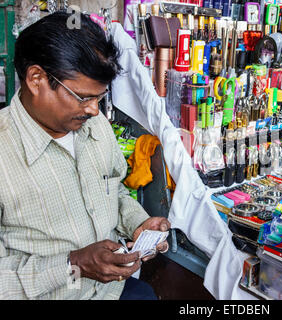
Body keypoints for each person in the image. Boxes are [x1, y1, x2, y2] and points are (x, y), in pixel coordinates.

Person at [0, 11, 170, 299]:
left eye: (100, 97)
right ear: (37, 79)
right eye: (83, 97)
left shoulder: (94, 124)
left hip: (111, 292)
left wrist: (137, 223)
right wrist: (74, 265)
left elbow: (113, 189)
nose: (94, 110)